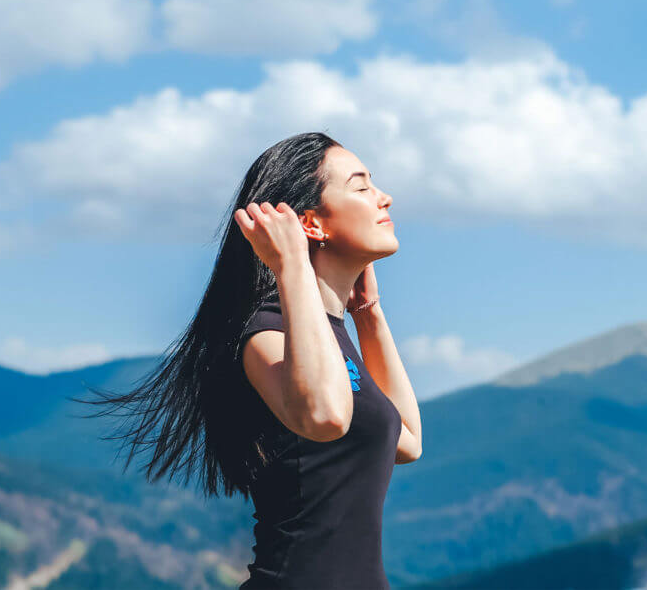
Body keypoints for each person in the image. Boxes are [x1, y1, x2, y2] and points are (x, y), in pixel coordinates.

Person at [70, 132, 423, 589]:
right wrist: (290, 265)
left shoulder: (334, 334)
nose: (384, 197)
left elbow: (407, 440)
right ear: (312, 224)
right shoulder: (267, 334)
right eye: (361, 187)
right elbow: (324, 416)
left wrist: (369, 315)